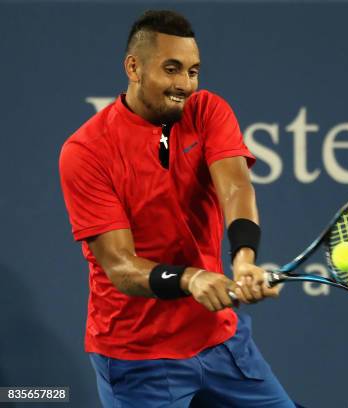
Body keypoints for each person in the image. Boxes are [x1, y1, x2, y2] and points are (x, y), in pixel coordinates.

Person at [59, 9, 295, 408]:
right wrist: (191, 279)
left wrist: (243, 259)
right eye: (172, 69)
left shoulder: (207, 111)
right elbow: (120, 266)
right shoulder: (86, 152)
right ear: (133, 68)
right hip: (139, 359)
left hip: (220, 340)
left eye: (193, 71)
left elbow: (236, 187)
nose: (184, 84)